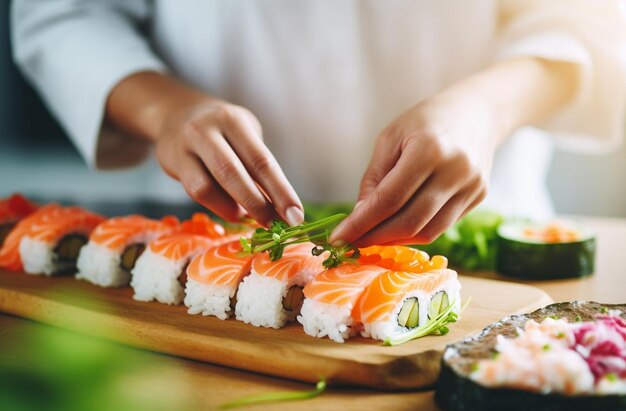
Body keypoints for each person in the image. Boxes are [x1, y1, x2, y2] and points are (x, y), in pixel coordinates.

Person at [11, 0, 625, 248]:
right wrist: (166, 110)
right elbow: (63, 14)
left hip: (481, 230)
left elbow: (593, 21)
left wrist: (485, 111)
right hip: (209, 231)